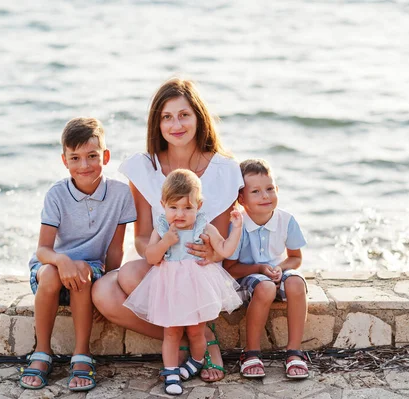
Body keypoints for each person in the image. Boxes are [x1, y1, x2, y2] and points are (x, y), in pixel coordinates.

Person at [92, 77, 244, 382]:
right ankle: (193, 342)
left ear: (199, 118)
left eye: (184, 115)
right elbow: (142, 237)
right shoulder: (144, 168)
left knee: (133, 277)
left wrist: (212, 253)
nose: (176, 124)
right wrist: (160, 249)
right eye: (167, 116)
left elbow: (224, 241)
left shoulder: (224, 169)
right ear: (157, 123)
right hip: (165, 262)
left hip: (204, 269)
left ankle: (202, 337)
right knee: (106, 291)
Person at [20, 117, 137, 391]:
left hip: (90, 273)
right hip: (52, 268)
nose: (84, 165)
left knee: (84, 270)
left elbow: (115, 248)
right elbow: (43, 250)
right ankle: (42, 352)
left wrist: (109, 286)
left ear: (105, 156)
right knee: (50, 273)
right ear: (65, 161)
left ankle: (81, 354)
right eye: (75, 158)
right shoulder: (57, 194)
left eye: (92, 156)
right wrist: (63, 261)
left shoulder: (120, 194)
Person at [124, 169, 243, 395]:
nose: (180, 214)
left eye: (188, 207)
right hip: (170, 288)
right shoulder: (161, 228)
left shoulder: (203, 227)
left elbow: (225, 249)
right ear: (163, 204)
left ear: (199, 205)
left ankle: (197, 360)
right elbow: (150, 257)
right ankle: (171, 372)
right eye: (173, 207)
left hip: (197, 288)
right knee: (171, 332)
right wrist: (165, 242)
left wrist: (236, 228)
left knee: (197, 332)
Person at [224, 158, 310, 380]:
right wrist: (261, 268)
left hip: (274, 272)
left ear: (277, 189)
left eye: (270, 189)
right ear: (241, 198)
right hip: (246, 278)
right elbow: (230, 268)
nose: (265, 196)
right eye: (256, 191)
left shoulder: (287, 220)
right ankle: (251, 352)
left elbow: (295, 258)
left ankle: (294, 352)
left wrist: (278, 268)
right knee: (265, 288)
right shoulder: (238, 224)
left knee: (296, 282)